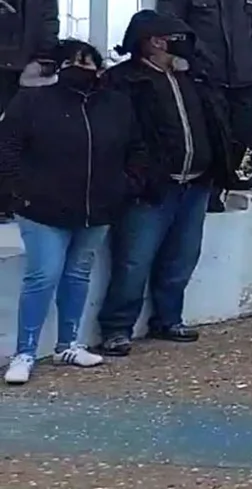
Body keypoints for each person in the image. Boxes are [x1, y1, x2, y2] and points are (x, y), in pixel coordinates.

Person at [95, 10, 239, 358]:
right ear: (155, 41)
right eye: (176, 38)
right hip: (149, 189)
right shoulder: (122, 80)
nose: (185, 45)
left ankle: (168, 318)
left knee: (182, 257)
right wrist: (136, 178)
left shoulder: (194, 78)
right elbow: (116, 136)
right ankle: (117, 328)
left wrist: (220, 170)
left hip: (196, 185)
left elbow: (216, 123)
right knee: (134, 260)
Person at [0, 40, 144, 385]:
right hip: (41, 209)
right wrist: (21, 193)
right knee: (44, 275)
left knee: (78, 275)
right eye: (77, 62)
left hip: (97, 208)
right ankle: (25, 352)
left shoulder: (115, 105)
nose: (86, 69)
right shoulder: (32, 102)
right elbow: (8, 149)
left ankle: (69, 343)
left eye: (91, 62)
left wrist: (126, 185)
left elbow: (136, 149)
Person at [157, 0, 252, 212]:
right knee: (207, 137)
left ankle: (235, 180)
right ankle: (208, 193)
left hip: (245, 80)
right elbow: (170, 27)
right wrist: (189, 64)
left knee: (247, 129)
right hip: (203, 80)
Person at [0, 0, 60, 223]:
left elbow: (46, 9)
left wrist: (47, 52)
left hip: (24, 64)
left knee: (17, 136)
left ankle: (8, 198)